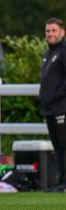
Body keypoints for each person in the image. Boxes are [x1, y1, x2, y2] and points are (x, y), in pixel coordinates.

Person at [39, 17, 66, 192]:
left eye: (54, 30)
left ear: (62, 32)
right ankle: (61, 182)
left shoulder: (64, 51)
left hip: (62, 107)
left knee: (64, 145)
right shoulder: (49, 53)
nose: (50, 34)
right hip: (50, 109)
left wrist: (55, 96)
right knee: (58, 147)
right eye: (48, 31)